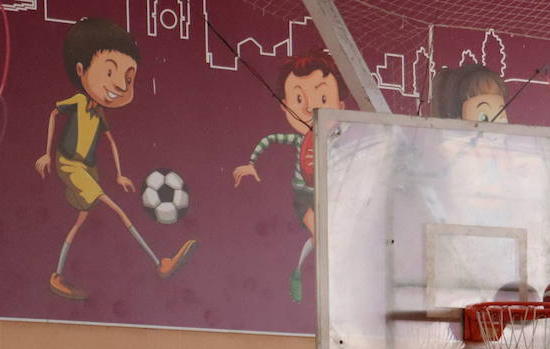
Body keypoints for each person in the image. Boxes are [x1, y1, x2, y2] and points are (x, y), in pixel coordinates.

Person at [35, 18, 196, 300]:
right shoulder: (77, 101)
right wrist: (46, 155)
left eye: (129, 78)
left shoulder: (100, 114)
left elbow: (110, 143)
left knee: (79, 221)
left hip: (89, 168)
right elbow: (52, 114)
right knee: (118, 211)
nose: (120, 84)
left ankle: (57, 275)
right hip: (70, 165)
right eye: (110, 72)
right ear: (81, 71)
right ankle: (161, 263)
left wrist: (120, 173)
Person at [232, 49, 343, 303]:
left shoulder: (341, 144)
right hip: (304, 198)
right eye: (299, 98)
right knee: (322, 237)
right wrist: (251, 163)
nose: (311, 107)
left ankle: (300, 273)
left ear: (342, 107)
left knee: (322, 238)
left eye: (323, 96)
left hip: (333, 199)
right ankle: (312, 281)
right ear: (285, 107)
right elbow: (270, 139)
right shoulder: (299, 140)